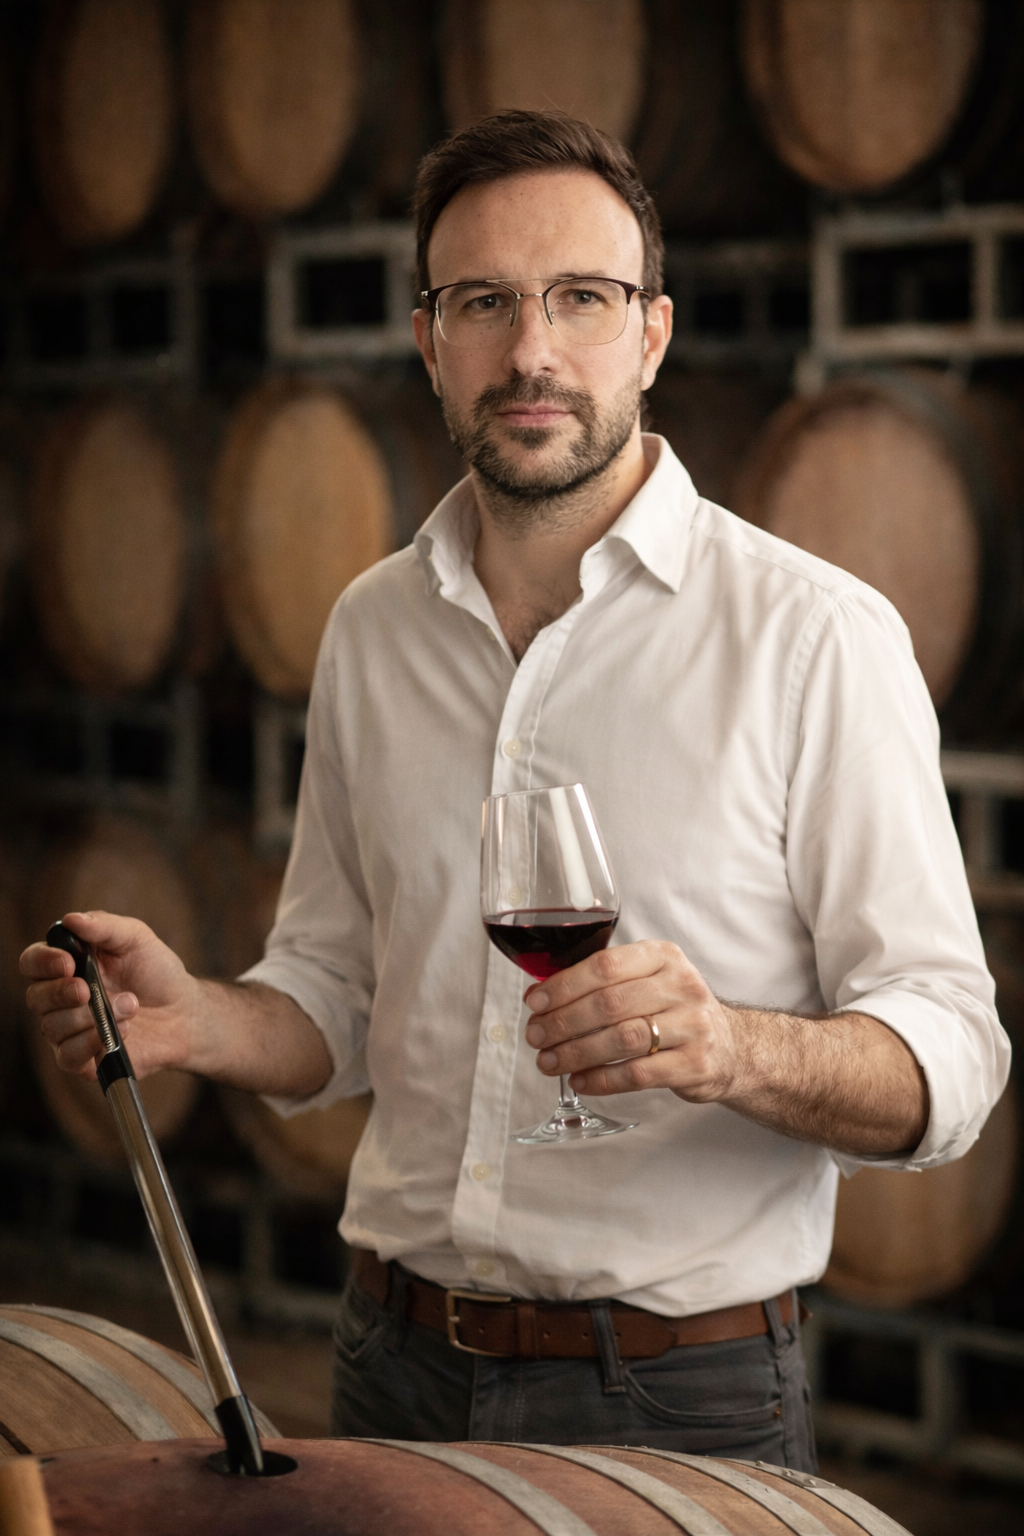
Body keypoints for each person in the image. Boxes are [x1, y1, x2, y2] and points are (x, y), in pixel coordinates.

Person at [21, 111, 1009, 1471]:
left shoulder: (813, 639)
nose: (532, 350)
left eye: (580, 298)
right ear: (429, 341)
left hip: (677, 1397)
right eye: (483, 302)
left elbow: (951, 1058)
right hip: (390, 1361)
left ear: (652, 333)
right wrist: (204, 1019)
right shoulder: (372, 628)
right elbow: (340, 991)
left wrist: (732, 1049)